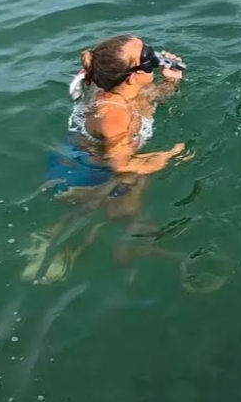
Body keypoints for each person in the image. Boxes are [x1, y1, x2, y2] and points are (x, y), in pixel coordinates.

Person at [22, 35, 188, 284]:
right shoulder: (114, 113)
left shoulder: (118, 88)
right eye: (146, 57)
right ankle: (66, 249)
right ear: (131, 76)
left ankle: (57, 236)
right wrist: (169, 156)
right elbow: (120, 166)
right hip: (82, 175)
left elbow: (151, 98)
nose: (154, 58)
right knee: (126, 207)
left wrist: (171, 81)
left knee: (123, 208)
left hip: (80, 159)